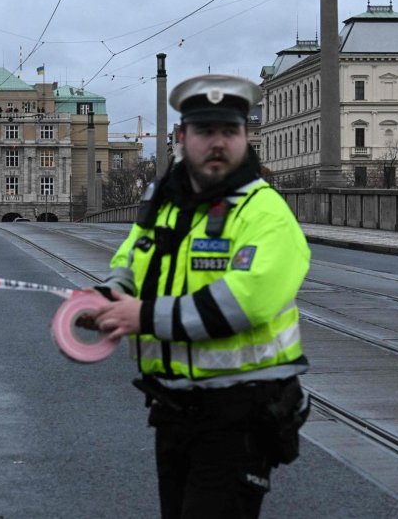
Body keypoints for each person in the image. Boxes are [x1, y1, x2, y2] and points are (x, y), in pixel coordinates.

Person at [90, 74, 311, 519]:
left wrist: (145, 316)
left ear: (245, 138)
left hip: (240, 411)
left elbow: (246, 300)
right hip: (172, 408)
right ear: (183, 138)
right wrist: (107, 298)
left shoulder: (264, 210)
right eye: (206, 131)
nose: (218, 143)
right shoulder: (166, 204)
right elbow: (131, 261)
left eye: (229, 132)